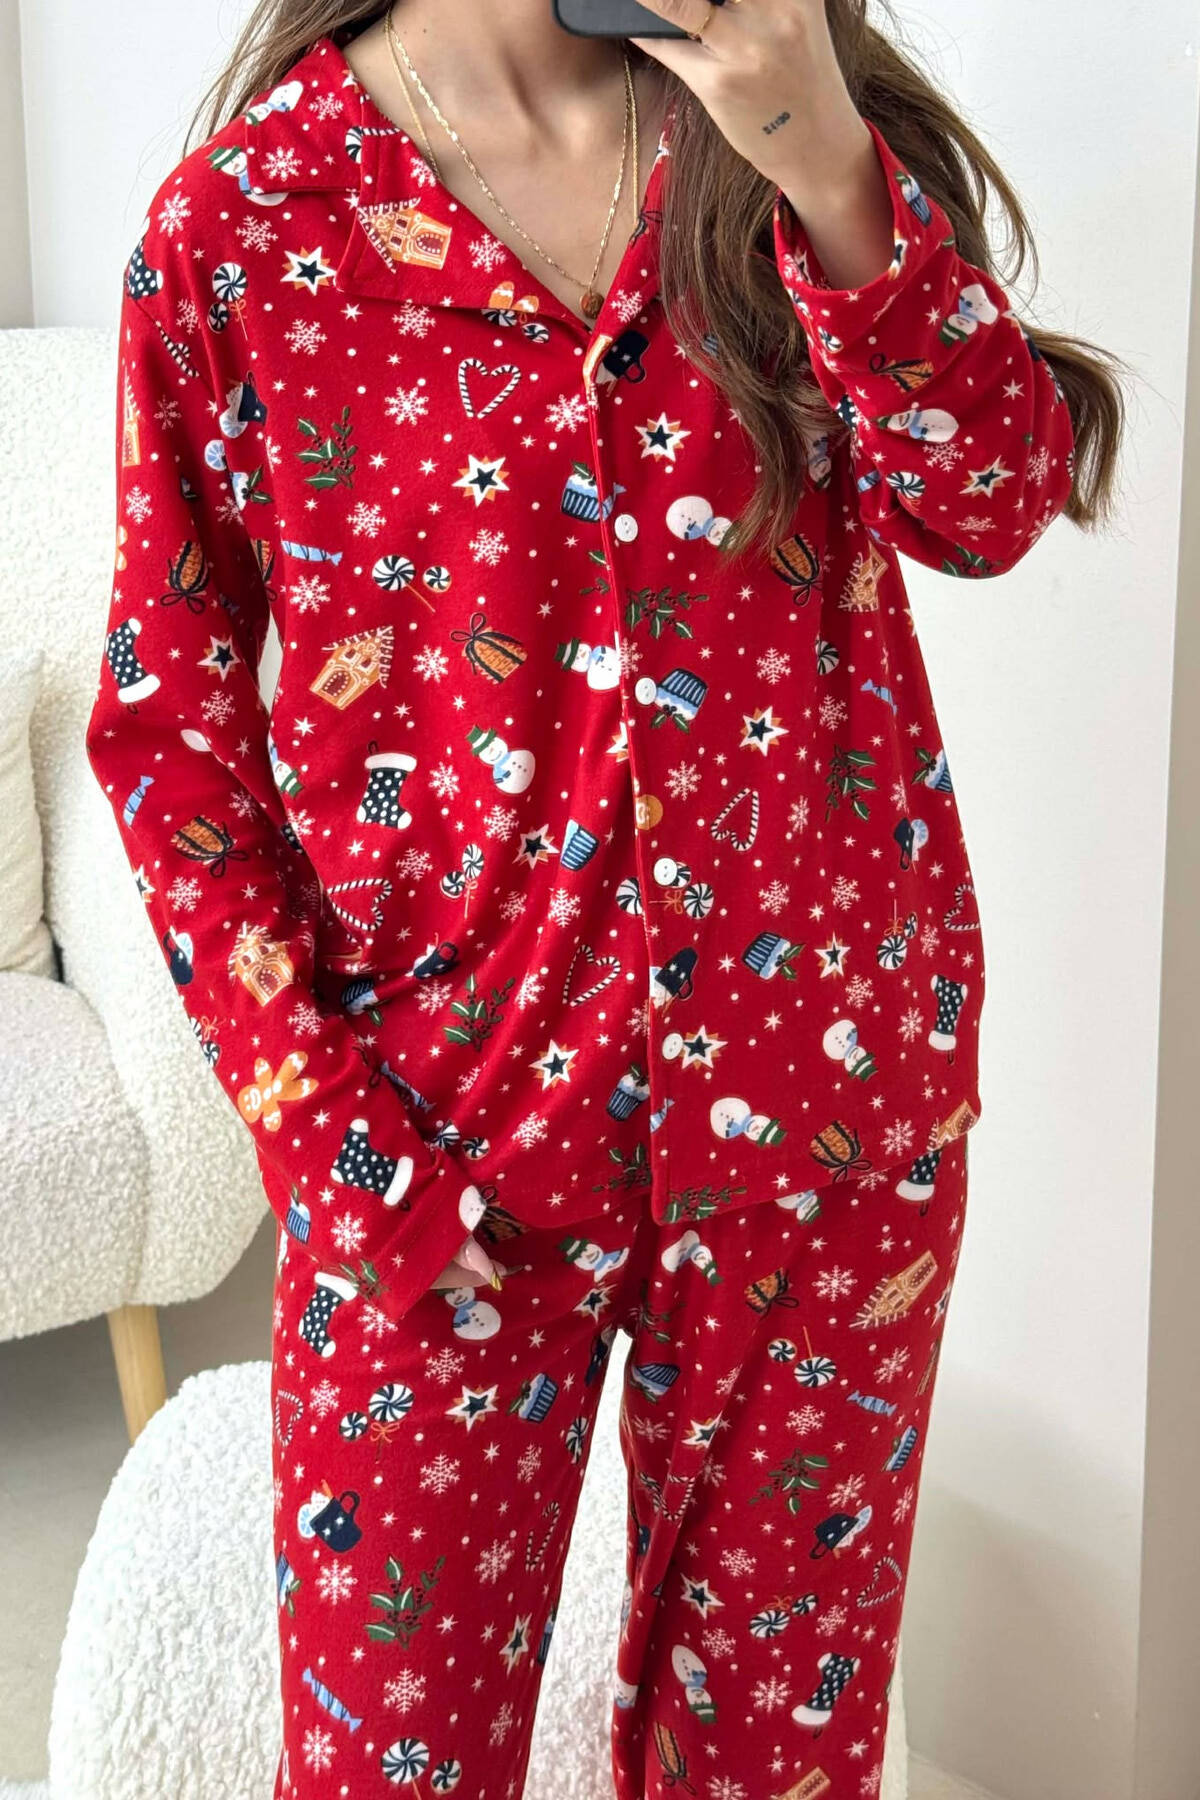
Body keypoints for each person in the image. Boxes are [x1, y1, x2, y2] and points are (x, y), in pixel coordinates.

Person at [83, 2, 1128, 1794]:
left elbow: (996, 500)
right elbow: (170, 743)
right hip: (437, 1140)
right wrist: (334, 1146)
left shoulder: (788, 120)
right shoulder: (244, 226)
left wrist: (831, 173)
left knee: (772, 1772)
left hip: (825, 1119)